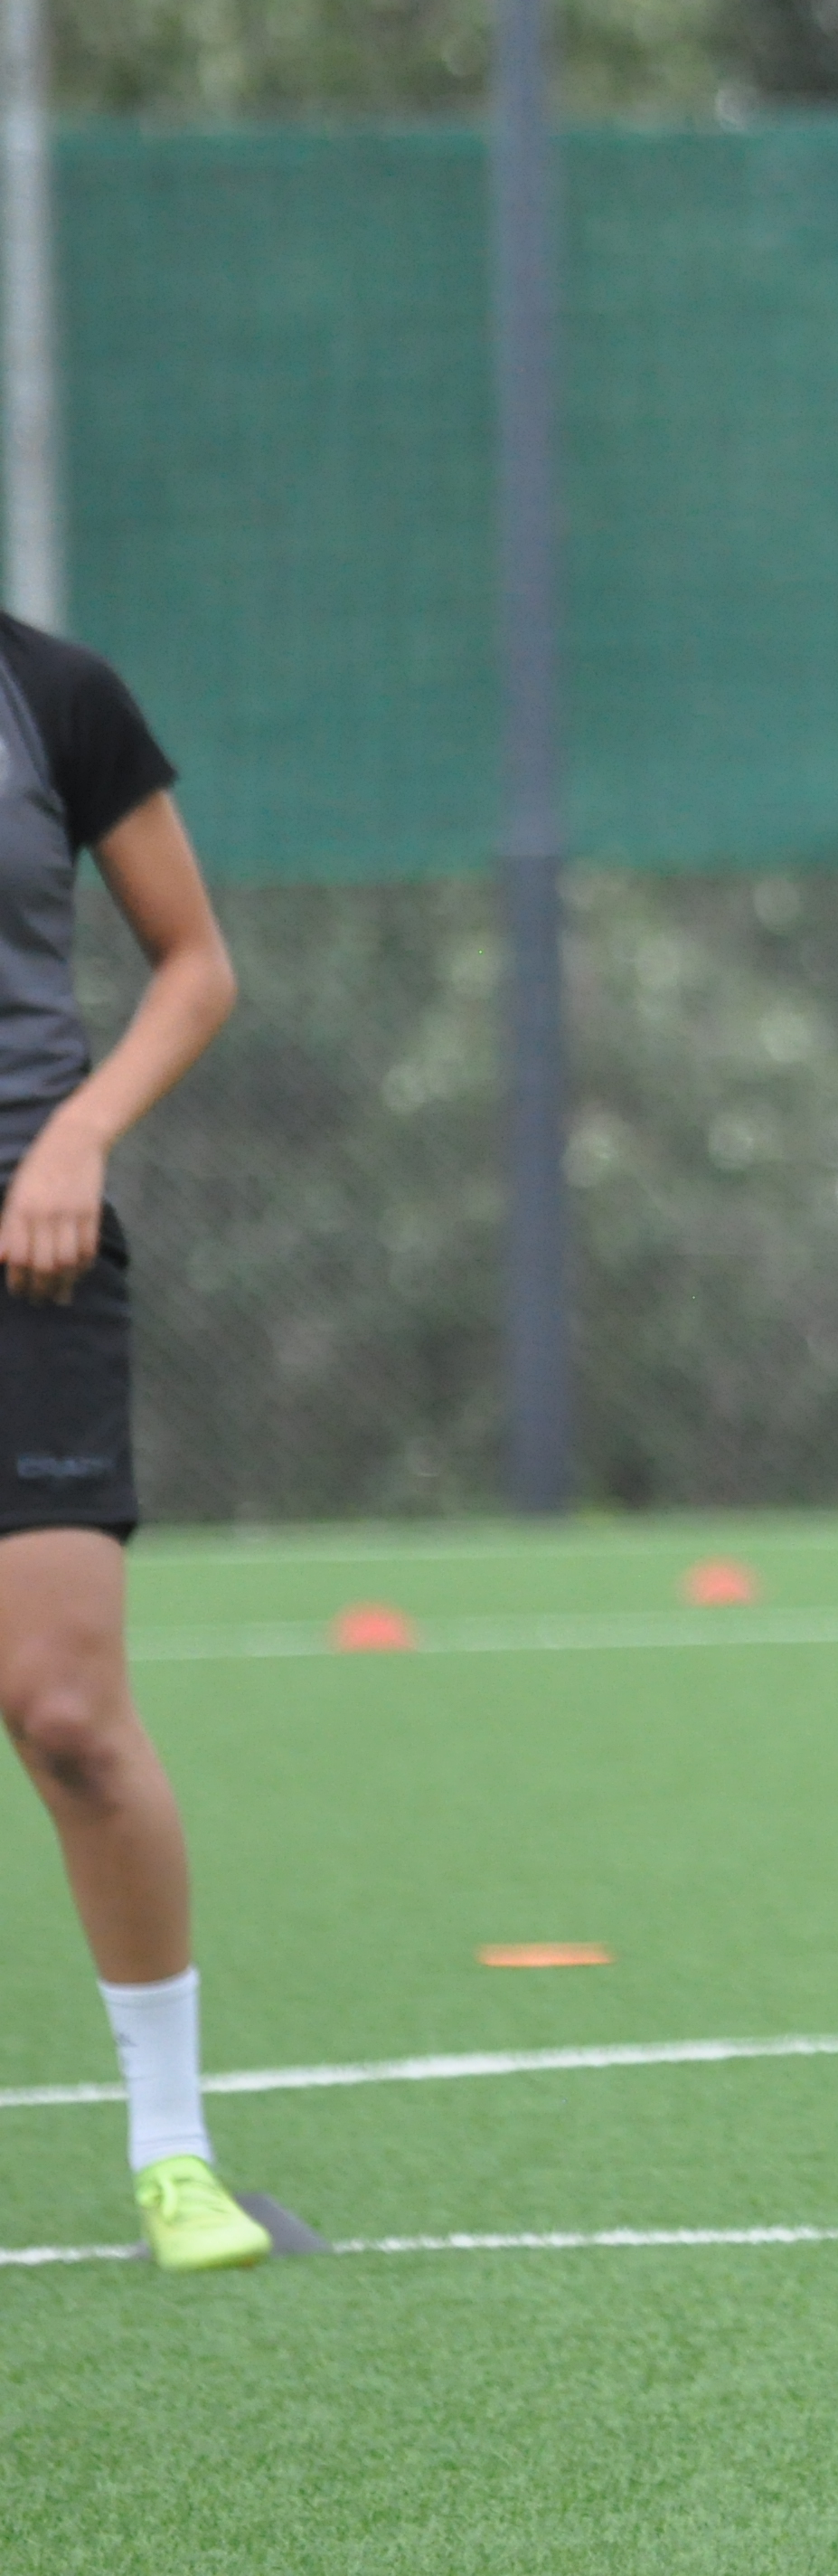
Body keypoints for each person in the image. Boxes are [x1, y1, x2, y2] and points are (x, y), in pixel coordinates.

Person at [0, 612, 252, 2271]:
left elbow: (196, 965)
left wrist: (76, 1134)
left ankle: (174, 2155)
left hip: (30, 1254)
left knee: (70, 1718)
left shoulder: (52, 694)